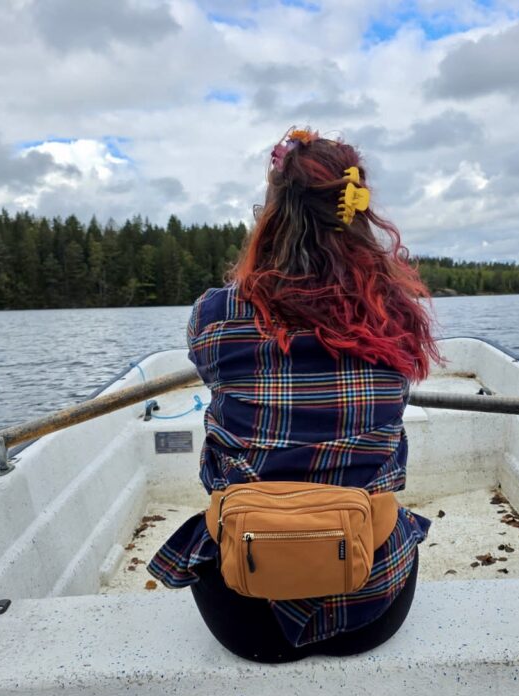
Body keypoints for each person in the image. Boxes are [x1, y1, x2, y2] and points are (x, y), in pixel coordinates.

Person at [146, 127, 442, 664]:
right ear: (357, 213)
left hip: (244, 615)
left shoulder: (214, 314)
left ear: (273, 213)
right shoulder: (396, 315)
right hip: (372, 602)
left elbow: (216, 376)